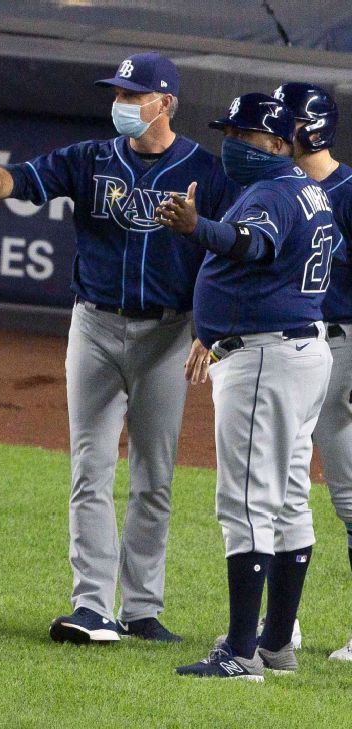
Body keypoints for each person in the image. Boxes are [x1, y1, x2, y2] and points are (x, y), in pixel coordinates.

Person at [0, 52, 238, 644]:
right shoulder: (89, 158)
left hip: (168, 334)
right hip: (93, 326)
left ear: (166, 103)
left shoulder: (205, 173)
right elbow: (25, 181)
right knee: (90, 469)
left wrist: (209, 331)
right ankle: (91, 605)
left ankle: (140, 609)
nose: (121, 104)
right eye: (117, 92)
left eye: (134, 95)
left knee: (154, 477)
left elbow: (229, 253)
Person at [158, 93, 339, 681]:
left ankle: (239, 652)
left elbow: (252, 243)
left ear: (282, 145)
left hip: (265, 356)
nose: (234, 144)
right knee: (286, 497)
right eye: (229, 133)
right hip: (298, 350)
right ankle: (277, 643)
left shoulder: (271, 193)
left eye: (248, 136)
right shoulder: (307, 190)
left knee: (246, 501)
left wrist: (196, 228)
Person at [270, 82, 352, 661]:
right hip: (294, 346)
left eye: (288, 121)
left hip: (345, 345)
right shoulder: (278, 188)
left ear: (313, 129)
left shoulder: (349, 190)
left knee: (347, 494)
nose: (277, 129)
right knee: (281, 487)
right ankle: (282, 629)